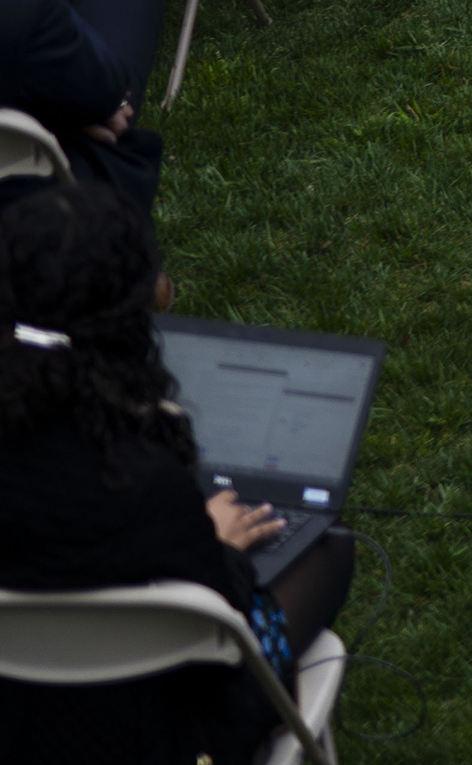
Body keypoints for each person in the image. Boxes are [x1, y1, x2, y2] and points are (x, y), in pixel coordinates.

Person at [0, 176, 360, 765]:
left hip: (12, 720)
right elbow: (216, 604)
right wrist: (219, 544)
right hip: (153, 733)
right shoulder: (137, 478)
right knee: (329, 551)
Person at [0, 0, 166, 244]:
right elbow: (106, 95)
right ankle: (113, 251)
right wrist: (75, 110)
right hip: (27, 208)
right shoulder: (20, 8)